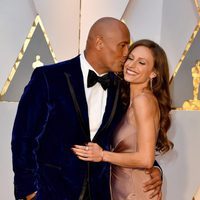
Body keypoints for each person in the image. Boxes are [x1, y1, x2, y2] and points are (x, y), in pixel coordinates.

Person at [11, 17, 162, 200]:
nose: (125, 54)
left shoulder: (122, 88)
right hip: (52, 191)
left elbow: (130, 139)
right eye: (122, 46)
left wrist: (154, 169)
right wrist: (28, 192)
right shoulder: (49, 78)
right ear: (99, 43)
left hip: (102, 193)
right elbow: (23, 138)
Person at [72, 39, 174, 200]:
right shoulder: (125, 97)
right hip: (117, 188)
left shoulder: (143, 101)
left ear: (154, 73)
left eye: (141, 63)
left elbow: (146, 159)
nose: (132, 65)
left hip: (133, 191)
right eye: (131, 58)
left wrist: (102, 155)